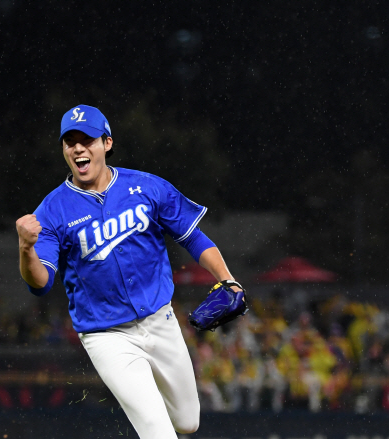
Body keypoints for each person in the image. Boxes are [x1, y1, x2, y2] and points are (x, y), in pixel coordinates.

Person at [15, 104, 243, 439]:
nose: (78, 148)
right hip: (107, 335)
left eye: (87, 139)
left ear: (107, 143)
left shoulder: (147, 187)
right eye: (70, 142)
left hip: (160, 320)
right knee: (157, 431)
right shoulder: (52, 211)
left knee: (188, 422)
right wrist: (25, 249)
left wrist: (227, 278)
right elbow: (41, 283)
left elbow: (193, 237)